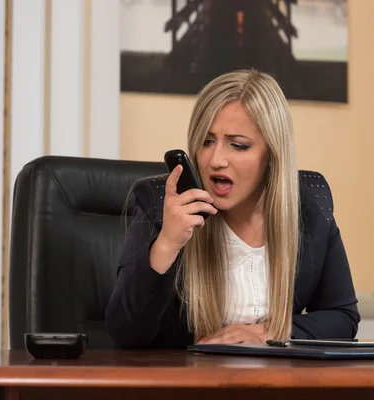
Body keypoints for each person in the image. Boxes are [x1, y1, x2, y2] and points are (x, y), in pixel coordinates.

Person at [105, 69, 359, 349]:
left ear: (272, 156)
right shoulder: (159, 205)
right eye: (207, 141)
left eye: (238, 145)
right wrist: (167, 244)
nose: (216, 160)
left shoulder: (310, 207)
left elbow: (343, 317)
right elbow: (126, 337)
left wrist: (268, 333)